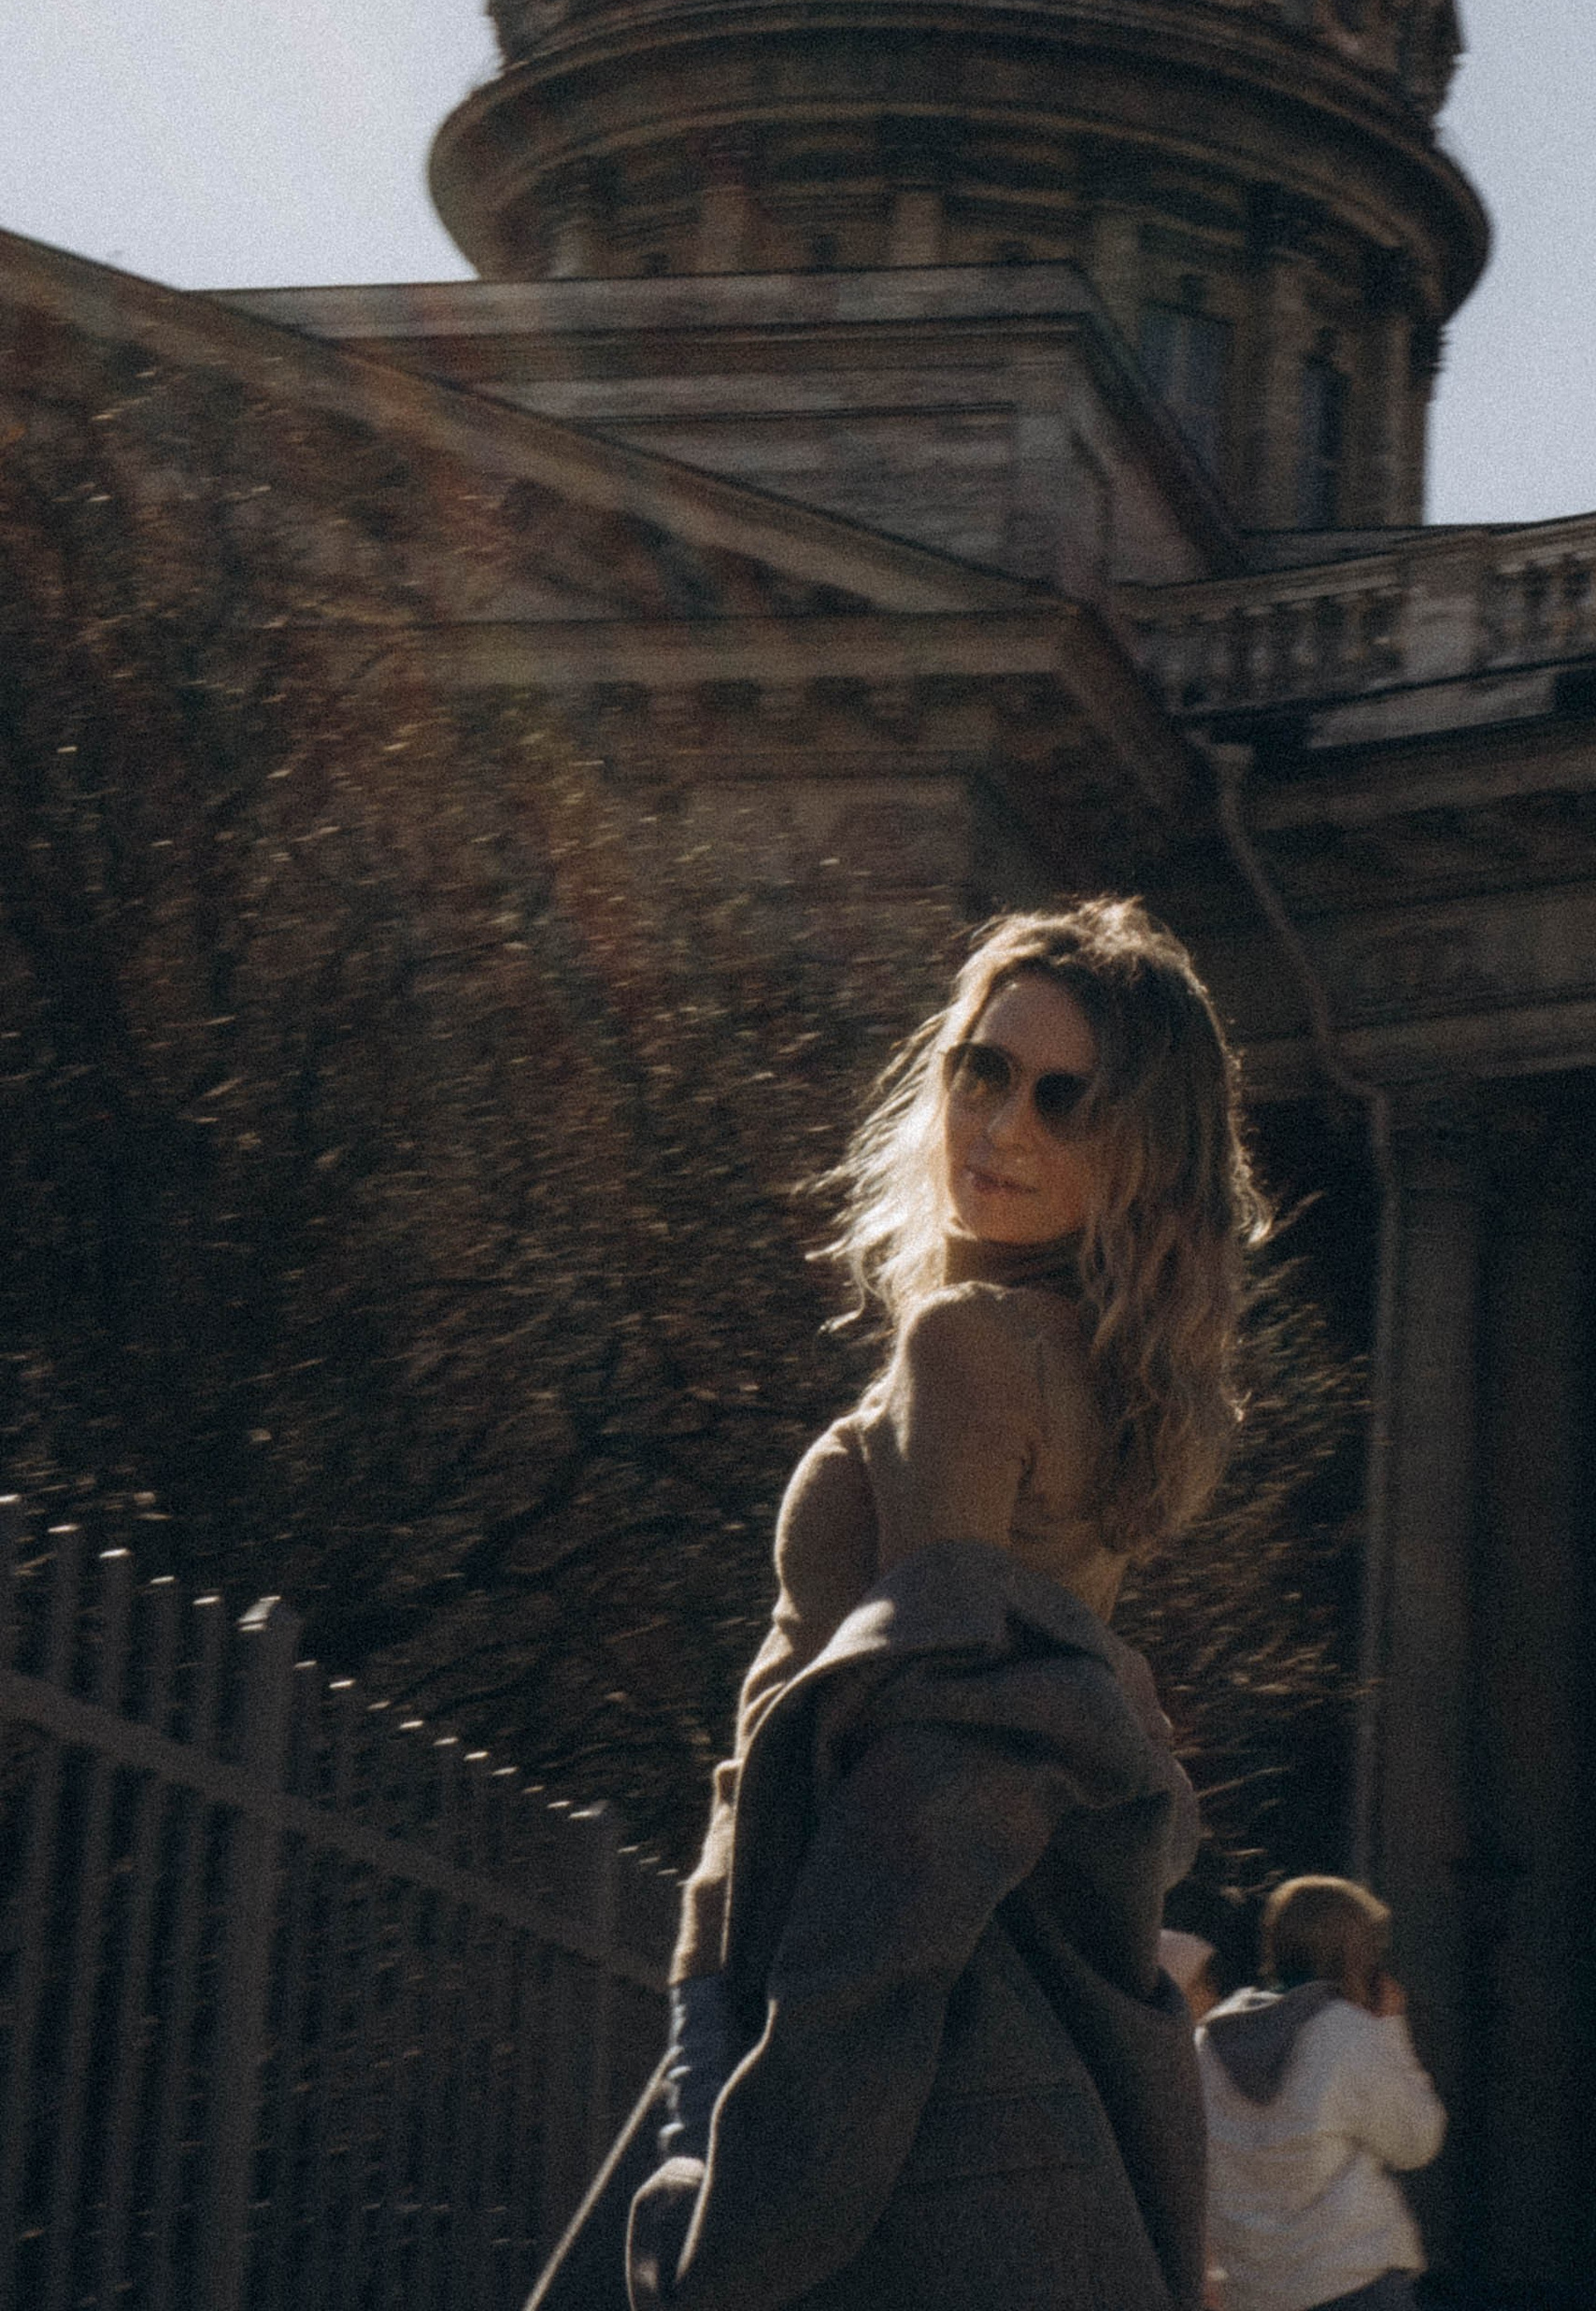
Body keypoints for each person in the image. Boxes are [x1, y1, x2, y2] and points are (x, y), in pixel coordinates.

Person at [527, 898, 1265, 2311]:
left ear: (1139, 1149)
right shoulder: (1098, 1371)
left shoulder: (968, 1345)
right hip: (953, 1962)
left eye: (1065, 1099)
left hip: (830, 1956)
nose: (1000, 1124)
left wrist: (806, 2092)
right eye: (981, 1070)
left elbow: (930, 1740)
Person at [1197, 1876, 1446, 2311]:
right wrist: (1390, 2028)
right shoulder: (1345, 2033)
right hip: (1351, 2278)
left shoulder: (1211, 2041)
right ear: (1357, 1954)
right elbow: (1416, 2142)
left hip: (1254, 2290)